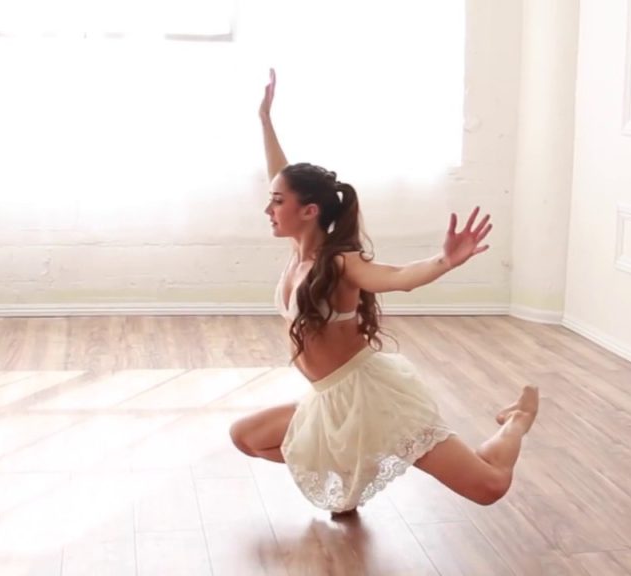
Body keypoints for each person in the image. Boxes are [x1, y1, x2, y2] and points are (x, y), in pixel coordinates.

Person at [229, 69, 539, 514]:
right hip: (330, 400)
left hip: (371, 398)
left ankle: (517, 420)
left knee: (488, 485)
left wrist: (445, 261)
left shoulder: (339, 263)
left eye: (278, 201)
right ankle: (363, 457)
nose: (269, 207)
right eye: (273, 197)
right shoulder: (297, 252)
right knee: (246, 437)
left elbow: (397, 277)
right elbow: (282, 173)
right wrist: (264, 120)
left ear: (309, 211)